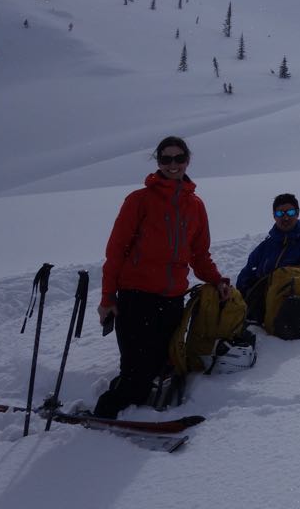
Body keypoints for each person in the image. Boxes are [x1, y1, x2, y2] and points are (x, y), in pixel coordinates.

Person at [94, 136, 231, 418]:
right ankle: (102, 417)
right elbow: (116, 252)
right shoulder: (139, 200)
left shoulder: (195, 206)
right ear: (158, 162)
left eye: (178, 158)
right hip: (136, 297)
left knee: (159, 365)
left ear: (187, 161)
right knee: (137, 372)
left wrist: (217, 281)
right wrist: (108, 297)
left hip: (171, 300)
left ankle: (134, 412)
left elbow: (199, 255)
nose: (172, 164)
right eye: (166, 159)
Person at [236, 193, 300, 322]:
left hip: (294, 314)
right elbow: (246, 274)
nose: (285, 217)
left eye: (290, 212)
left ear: (297, 213)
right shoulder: (265, 247)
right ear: (274, 216)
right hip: (260, 311)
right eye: (280, 213)